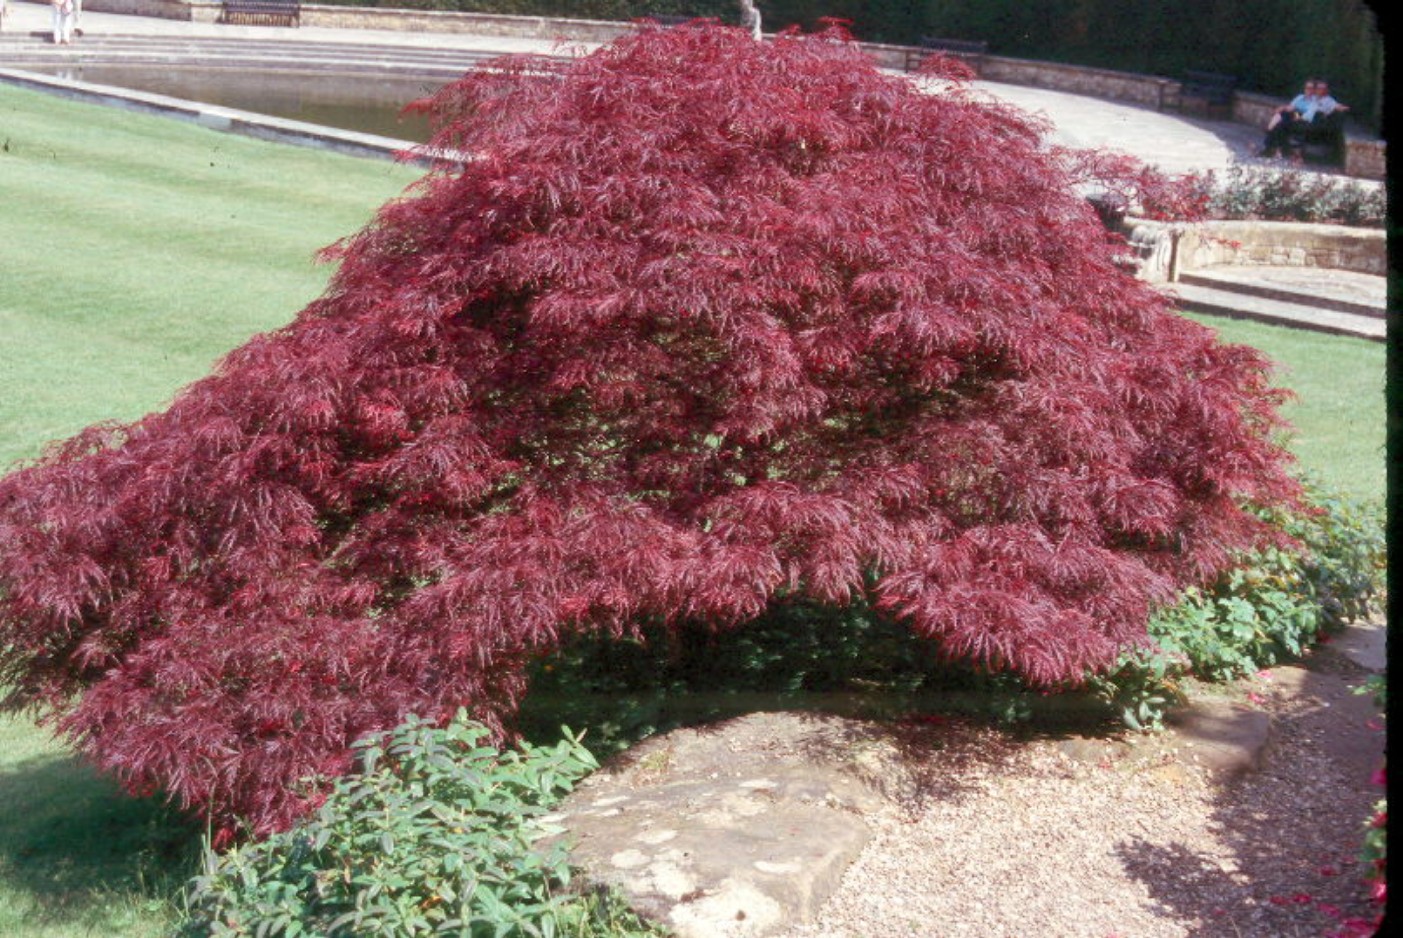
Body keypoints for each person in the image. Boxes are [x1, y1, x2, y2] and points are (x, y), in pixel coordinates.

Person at [1260, 79, 1317, 158]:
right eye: (1306, 88)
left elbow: (1308, 116)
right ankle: (1273, 149)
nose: (1308, 90)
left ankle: (1269, 136)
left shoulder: (1315, 101)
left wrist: (1295, 112)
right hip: (1290, 116)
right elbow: (1290, 106)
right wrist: (1283, 108)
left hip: (1301, 120)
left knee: (1282, 120)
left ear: (1314, 90)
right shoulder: (1300, 97)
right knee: (1280, 123)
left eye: (1310, 88)